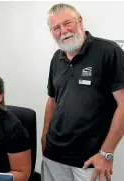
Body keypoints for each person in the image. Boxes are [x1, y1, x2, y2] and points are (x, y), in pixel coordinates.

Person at [41, 3, 124, 181]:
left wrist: (106, 153)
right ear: (52, 32)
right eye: (56, 27)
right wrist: (44, 135)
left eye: (67, 23)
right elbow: (52, 100)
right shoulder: (57, 58)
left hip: (89, 161)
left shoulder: (108, 52)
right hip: (53, 157)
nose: (63, 30)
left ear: (80, 21)